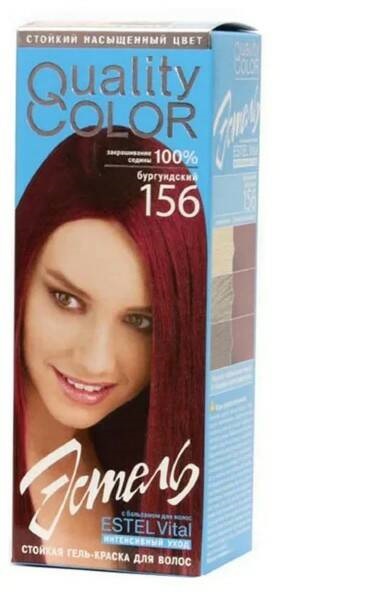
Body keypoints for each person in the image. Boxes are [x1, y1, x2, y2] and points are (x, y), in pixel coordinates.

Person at [13, 128, 206, 575]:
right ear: (19, 273)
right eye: (66, 299)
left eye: (139, 322)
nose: (96, 361)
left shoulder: (155, 474)